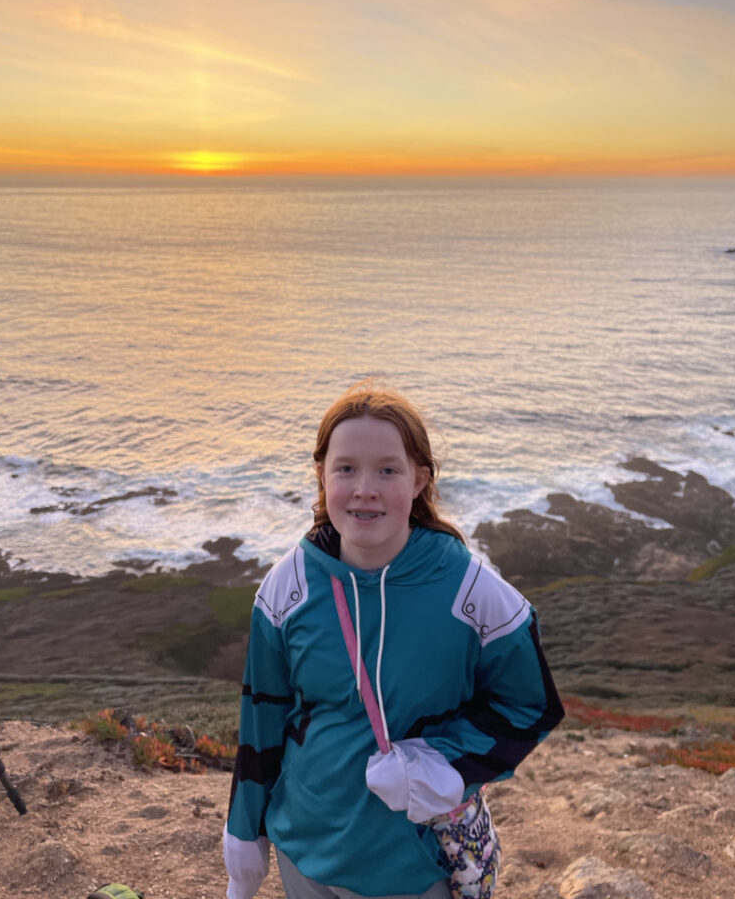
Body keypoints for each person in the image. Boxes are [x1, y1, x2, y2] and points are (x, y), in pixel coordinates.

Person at [224, 382, 564, 899]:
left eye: (387, 469)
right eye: (346, 469)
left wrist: (446, 765)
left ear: (419, 478)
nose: (365, 488)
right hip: (303, 852)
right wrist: (245, 836)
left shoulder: (472, 592)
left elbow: (531, 705)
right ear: (322, 475)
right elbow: (262, 721)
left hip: (412, 869)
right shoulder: (286, 587)